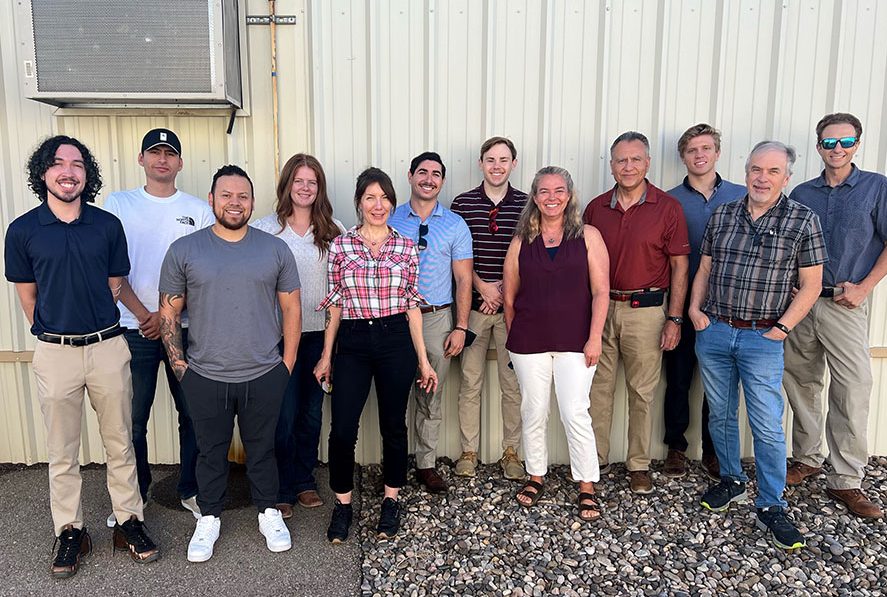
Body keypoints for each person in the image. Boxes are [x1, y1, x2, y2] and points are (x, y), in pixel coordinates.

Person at [4, 135, 160, 578]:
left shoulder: (107, 226)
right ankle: (70, 530)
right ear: (44, 173)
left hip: (109, 347)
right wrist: (55, 334)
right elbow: (28, 297)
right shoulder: (23, 231)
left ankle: (129, 522)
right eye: (57, 163)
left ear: (86, 175)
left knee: (120, 442)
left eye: (77, 164)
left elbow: (115, 283)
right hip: (56, 353)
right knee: (62, 450)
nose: (68, 171)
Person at [159, 165, 301, 562]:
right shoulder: (185, 251)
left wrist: (286, 365)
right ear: (211, 200)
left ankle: (268, 511)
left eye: (242, 196)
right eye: (226, 195)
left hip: (263, 372)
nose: (234, 203)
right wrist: (182, 370)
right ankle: (209, 518)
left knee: (263, 450)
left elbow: (292, 309)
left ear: (252, 203)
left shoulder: (274, 249)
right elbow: (168, 314)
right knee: (210, 452)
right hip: (205, 374)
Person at [689, 141, 826, 551]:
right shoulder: (724, 214)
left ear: (786, 177)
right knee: (721, 415)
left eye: (771, 171)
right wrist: (696, 311)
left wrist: (782, 328)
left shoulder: (803, 220)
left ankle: (771, 504)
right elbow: (706, 268)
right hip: (715, 331)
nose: (761, 178)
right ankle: (731, 481)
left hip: (763, 336)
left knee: (767, 423)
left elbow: (812, 284)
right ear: (746, 171)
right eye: (754, 169)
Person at [316, 167, 438, 543]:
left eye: (384, 197)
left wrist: (424, 359)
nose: (378, 204)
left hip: (394, 339)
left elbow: (412, 305)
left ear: (392, 202)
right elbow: (334, 306)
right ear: (359, 202)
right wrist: (326, 356)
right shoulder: (341, 245)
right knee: (342, 430)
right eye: (370, 197)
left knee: (393, 426)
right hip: (353, 341)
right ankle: (343, 505)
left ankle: (391, 500)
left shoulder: (404, 246)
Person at [103, 128, 214, 526]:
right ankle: (136, 494)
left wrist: (166, 316)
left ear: (180, 163)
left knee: (194, 413)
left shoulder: (198, 209)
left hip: (184, 330)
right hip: (134, 328)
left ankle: (191, 488)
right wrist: (146, 314)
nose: (162, 159)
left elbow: (202, 271)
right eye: (155, 152)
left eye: (170, 153)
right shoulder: (119, 203)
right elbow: (111, 265)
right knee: (132, 418)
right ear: (141, 159)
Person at [783, 113, 887, 519]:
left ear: (857, 145)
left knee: (852, 387)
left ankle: (847, 479)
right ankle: (807, 457)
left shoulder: (876, 188)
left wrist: (865, 287)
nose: (837, 149)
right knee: (801, 380)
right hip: (803, 303)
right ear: (818, 147)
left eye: (845, 142)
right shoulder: (803, 193)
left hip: (845, 302)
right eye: (829, 143)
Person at [582, 131, 690, 494]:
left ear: (647, 163)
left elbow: (680, 267)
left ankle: (639, 464)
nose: (628, 167)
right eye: (620, 160)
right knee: (598, 389)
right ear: (611, 166)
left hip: (646, 310)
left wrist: (674, 319)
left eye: (635, 159)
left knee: (642, 391)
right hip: (600, 309)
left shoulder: (667, 207)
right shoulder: (596, 208)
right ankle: (593, 461)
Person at [503, 166, 609, 520]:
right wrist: (514, 336)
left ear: (569, 195)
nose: (552, 197)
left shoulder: (589, 236)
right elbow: (509, 296)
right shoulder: (521, 240)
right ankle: (536, 475)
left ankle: (586, 484)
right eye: (544, 191)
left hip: (576, 340)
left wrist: (595, 337)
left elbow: (601, 291)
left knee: (574, 411)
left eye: (559, 190)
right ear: (534, 197)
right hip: (529, 341)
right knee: (533, 410)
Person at [253, 154, 345, 518]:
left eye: (312, 182)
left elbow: (340, 287)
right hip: (277, 339)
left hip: (319, 337)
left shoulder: (332, 229)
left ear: (319, 188)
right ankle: (282, 488)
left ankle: (305, 480)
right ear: (287, 185)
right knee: (283, 414)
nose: (305, 188)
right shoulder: (265, 229)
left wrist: (331, 345)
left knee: (310, 413)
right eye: (299, 181)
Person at [662, 124, 746, 479]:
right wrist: (674, 314)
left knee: (720, 387)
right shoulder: (669, 201)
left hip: (728, 308)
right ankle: (676, 449)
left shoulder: (743, 196)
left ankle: (714, 451)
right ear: (683, 157)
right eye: (692, 150)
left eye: (706, 148)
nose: (699, 155)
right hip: (680, 305)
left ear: (717, 153)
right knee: (678, 379)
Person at [388, 152, 473, 493]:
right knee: (393, 396)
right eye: (422, 172)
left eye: (436, 173)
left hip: (437, 318)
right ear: (410, 176)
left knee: (430, 396)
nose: (428, 178)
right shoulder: (390, 218)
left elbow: (464, 280)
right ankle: (392, 464)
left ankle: (426, 463)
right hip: (394, 319)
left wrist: (461, 327)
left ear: (442, 181)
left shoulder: (454, 224)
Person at [450, 136, 528, 480]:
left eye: (503, 159)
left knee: (513, 384)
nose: (497, 166)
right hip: (475, 308)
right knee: (470, 381)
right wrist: (483, 286)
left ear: (513, 164)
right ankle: (469, 450)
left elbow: (530, 255)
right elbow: (456, 254)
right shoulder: (462, 203)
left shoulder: (527, 204)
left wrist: (504, 291)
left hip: (513, 310)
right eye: (490, 159)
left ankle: (511, 451)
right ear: (481, 164)